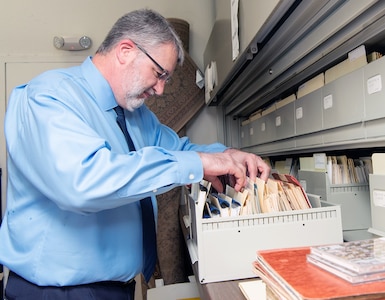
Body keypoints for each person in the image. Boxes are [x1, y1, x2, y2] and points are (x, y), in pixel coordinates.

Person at [0, 8, 270, 300]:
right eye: (158, 74)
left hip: (117, 289)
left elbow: (179, 150)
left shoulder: (137, 117)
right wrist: (197, 163)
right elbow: (83, 182)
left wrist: (227, 156)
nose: (160, 89)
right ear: (126, 51)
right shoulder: (48, 97)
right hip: (55, 293)